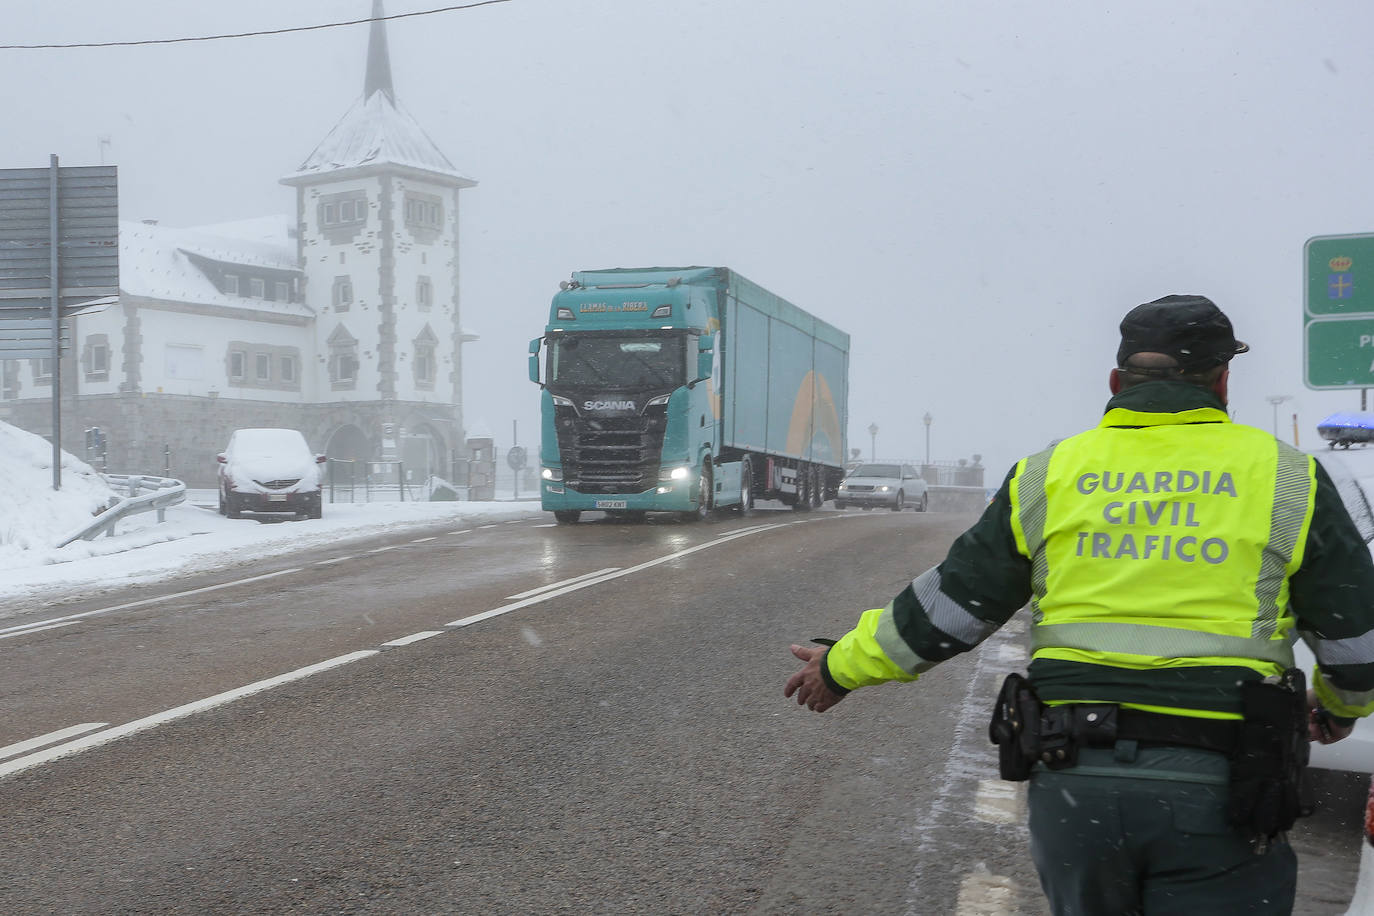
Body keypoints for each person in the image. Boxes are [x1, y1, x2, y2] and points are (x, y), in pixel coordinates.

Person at [785, 295, 1374, 915]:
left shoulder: (1049, 475)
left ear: (1117, 381)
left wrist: (838, 667)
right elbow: (1357, 640)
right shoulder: (1288, 477)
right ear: (1224, 381)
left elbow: (950, 607)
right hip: (1224, 783)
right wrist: (1339, 708)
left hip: (1076, 781)